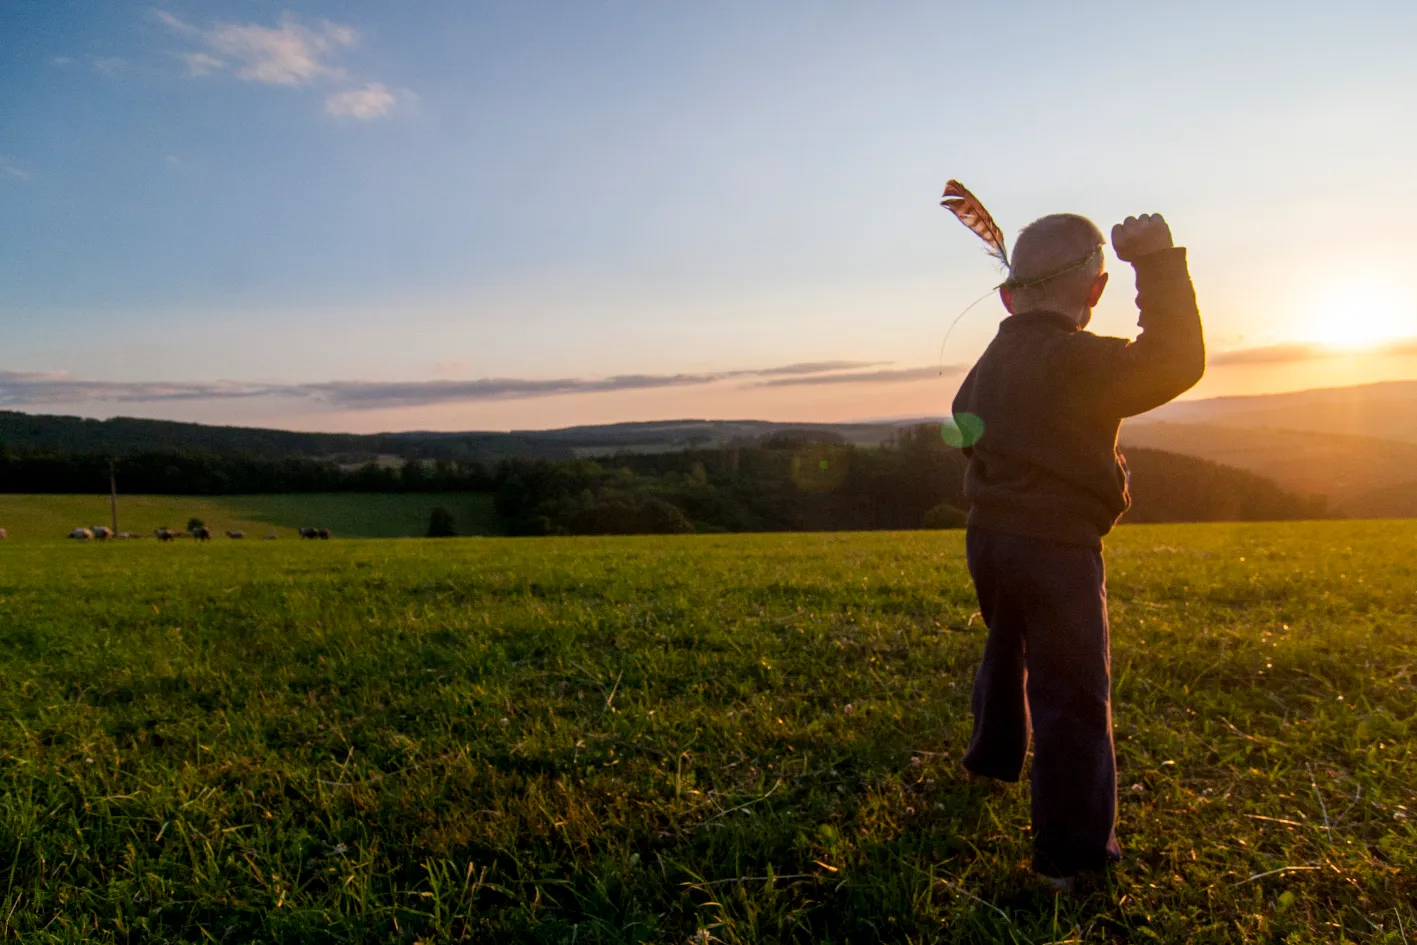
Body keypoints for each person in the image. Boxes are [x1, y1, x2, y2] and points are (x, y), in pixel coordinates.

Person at [950, 212, 1205, 889]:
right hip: (1056, 547)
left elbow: (963, 423)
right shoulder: (1077, 358)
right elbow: (1174, 360)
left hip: (989, 537)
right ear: (1095, 291)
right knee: (1072, 696)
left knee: (1004, 645)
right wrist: (1155, 262)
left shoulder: (989, 362)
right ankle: (1071, 860)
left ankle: (987, 758)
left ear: (1007, 297)